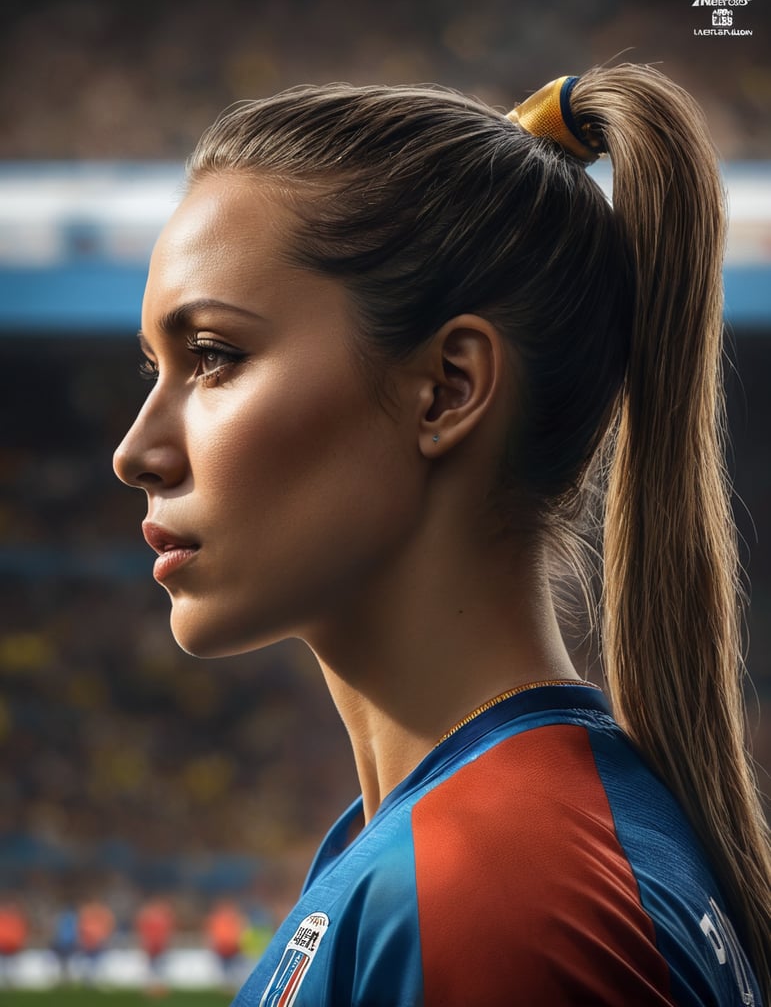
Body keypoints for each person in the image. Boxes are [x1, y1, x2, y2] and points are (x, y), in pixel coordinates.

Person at [113, 64, 771, 1005]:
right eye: (155, 368)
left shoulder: (492, 898)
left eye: (214, 357)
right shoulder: (469, 843)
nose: (136, 451)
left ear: (449, 388)